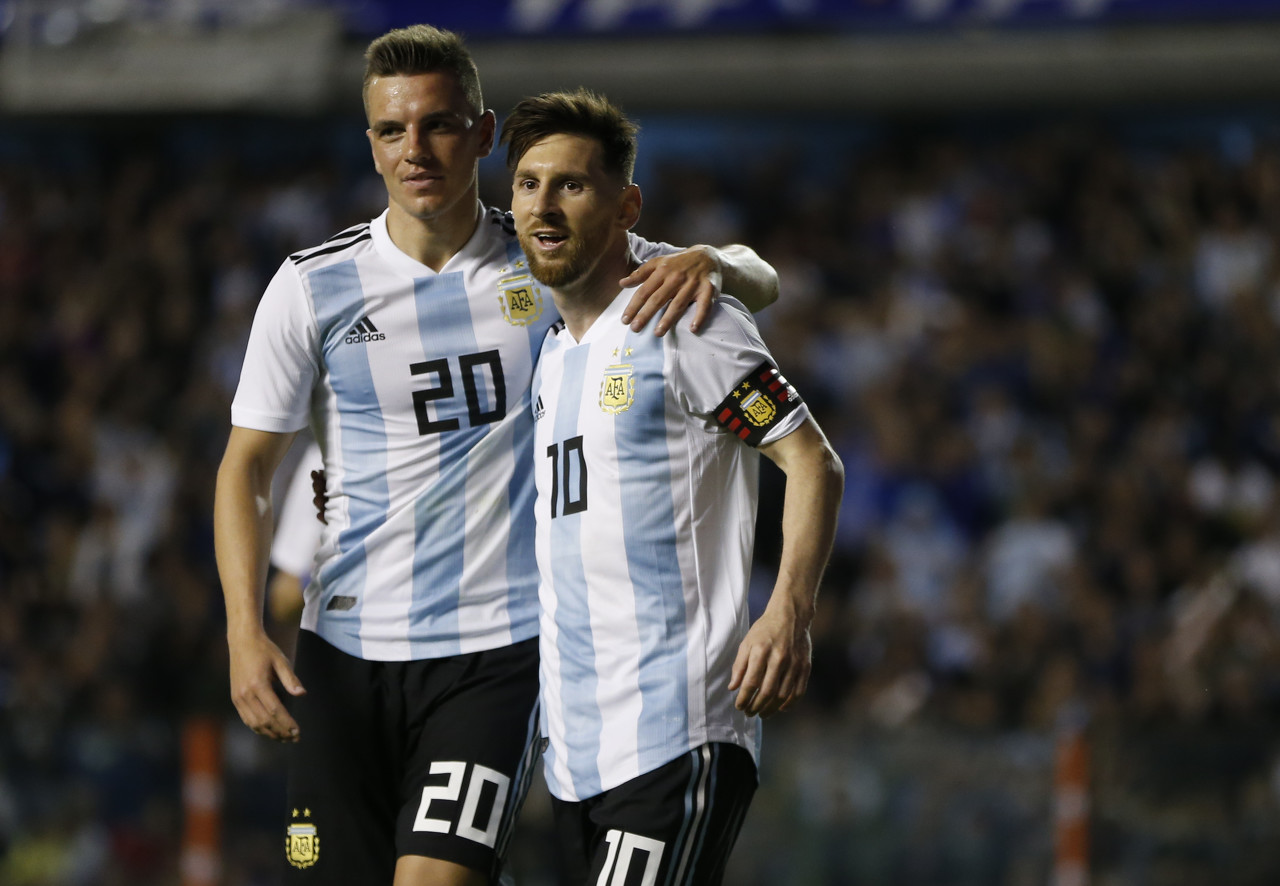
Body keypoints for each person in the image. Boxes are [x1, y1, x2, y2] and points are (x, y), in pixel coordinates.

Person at [212, 24, 780, 886]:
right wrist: (243, 630)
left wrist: (715, 260)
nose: (415, 149)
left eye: (438, 124)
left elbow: (760, 280)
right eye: (392, 130)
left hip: (499, 653)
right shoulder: (311, 286)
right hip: (344, 650)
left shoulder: (552, 251)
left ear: (481, 134)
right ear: (371, 145)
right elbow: (246, 468)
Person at [501, 90, 844, 885]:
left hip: (678, 729)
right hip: (574, 759)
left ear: (626, 207)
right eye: (527, 184)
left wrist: (788, 612)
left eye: (571, 185)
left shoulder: (683, 321)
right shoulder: (549, 352)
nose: (544, 206)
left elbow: (811, 460)